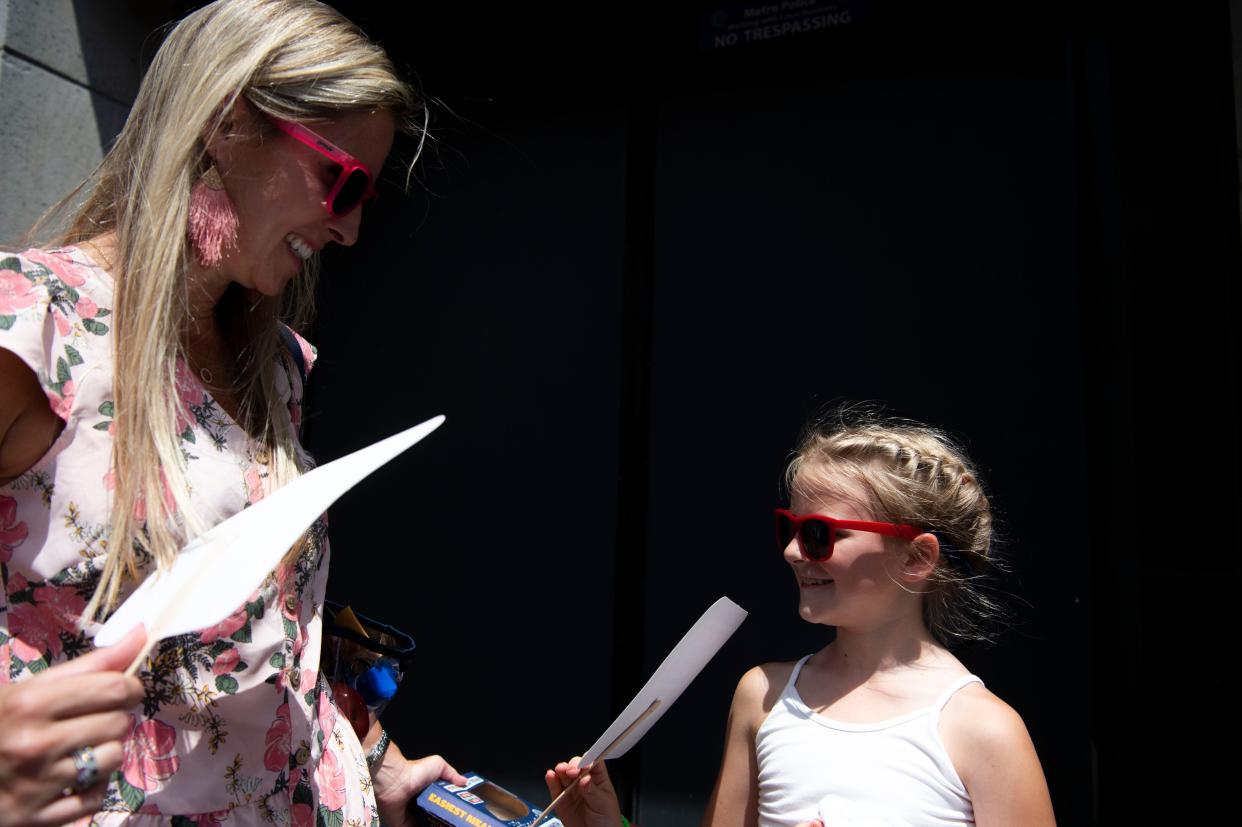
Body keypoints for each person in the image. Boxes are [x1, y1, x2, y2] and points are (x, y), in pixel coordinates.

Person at [0, 1, 465, 824]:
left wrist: (373, 757)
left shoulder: (276, 365)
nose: (351, 228)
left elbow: (263, 641)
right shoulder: (35, 324)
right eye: (342, 181)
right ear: (226, 120)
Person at [545, 409, 1057, 827]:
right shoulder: (763, 695)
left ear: (916, 558)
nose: (792, 552)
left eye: (818, 534)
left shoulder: (983, 729)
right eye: (787, 527)